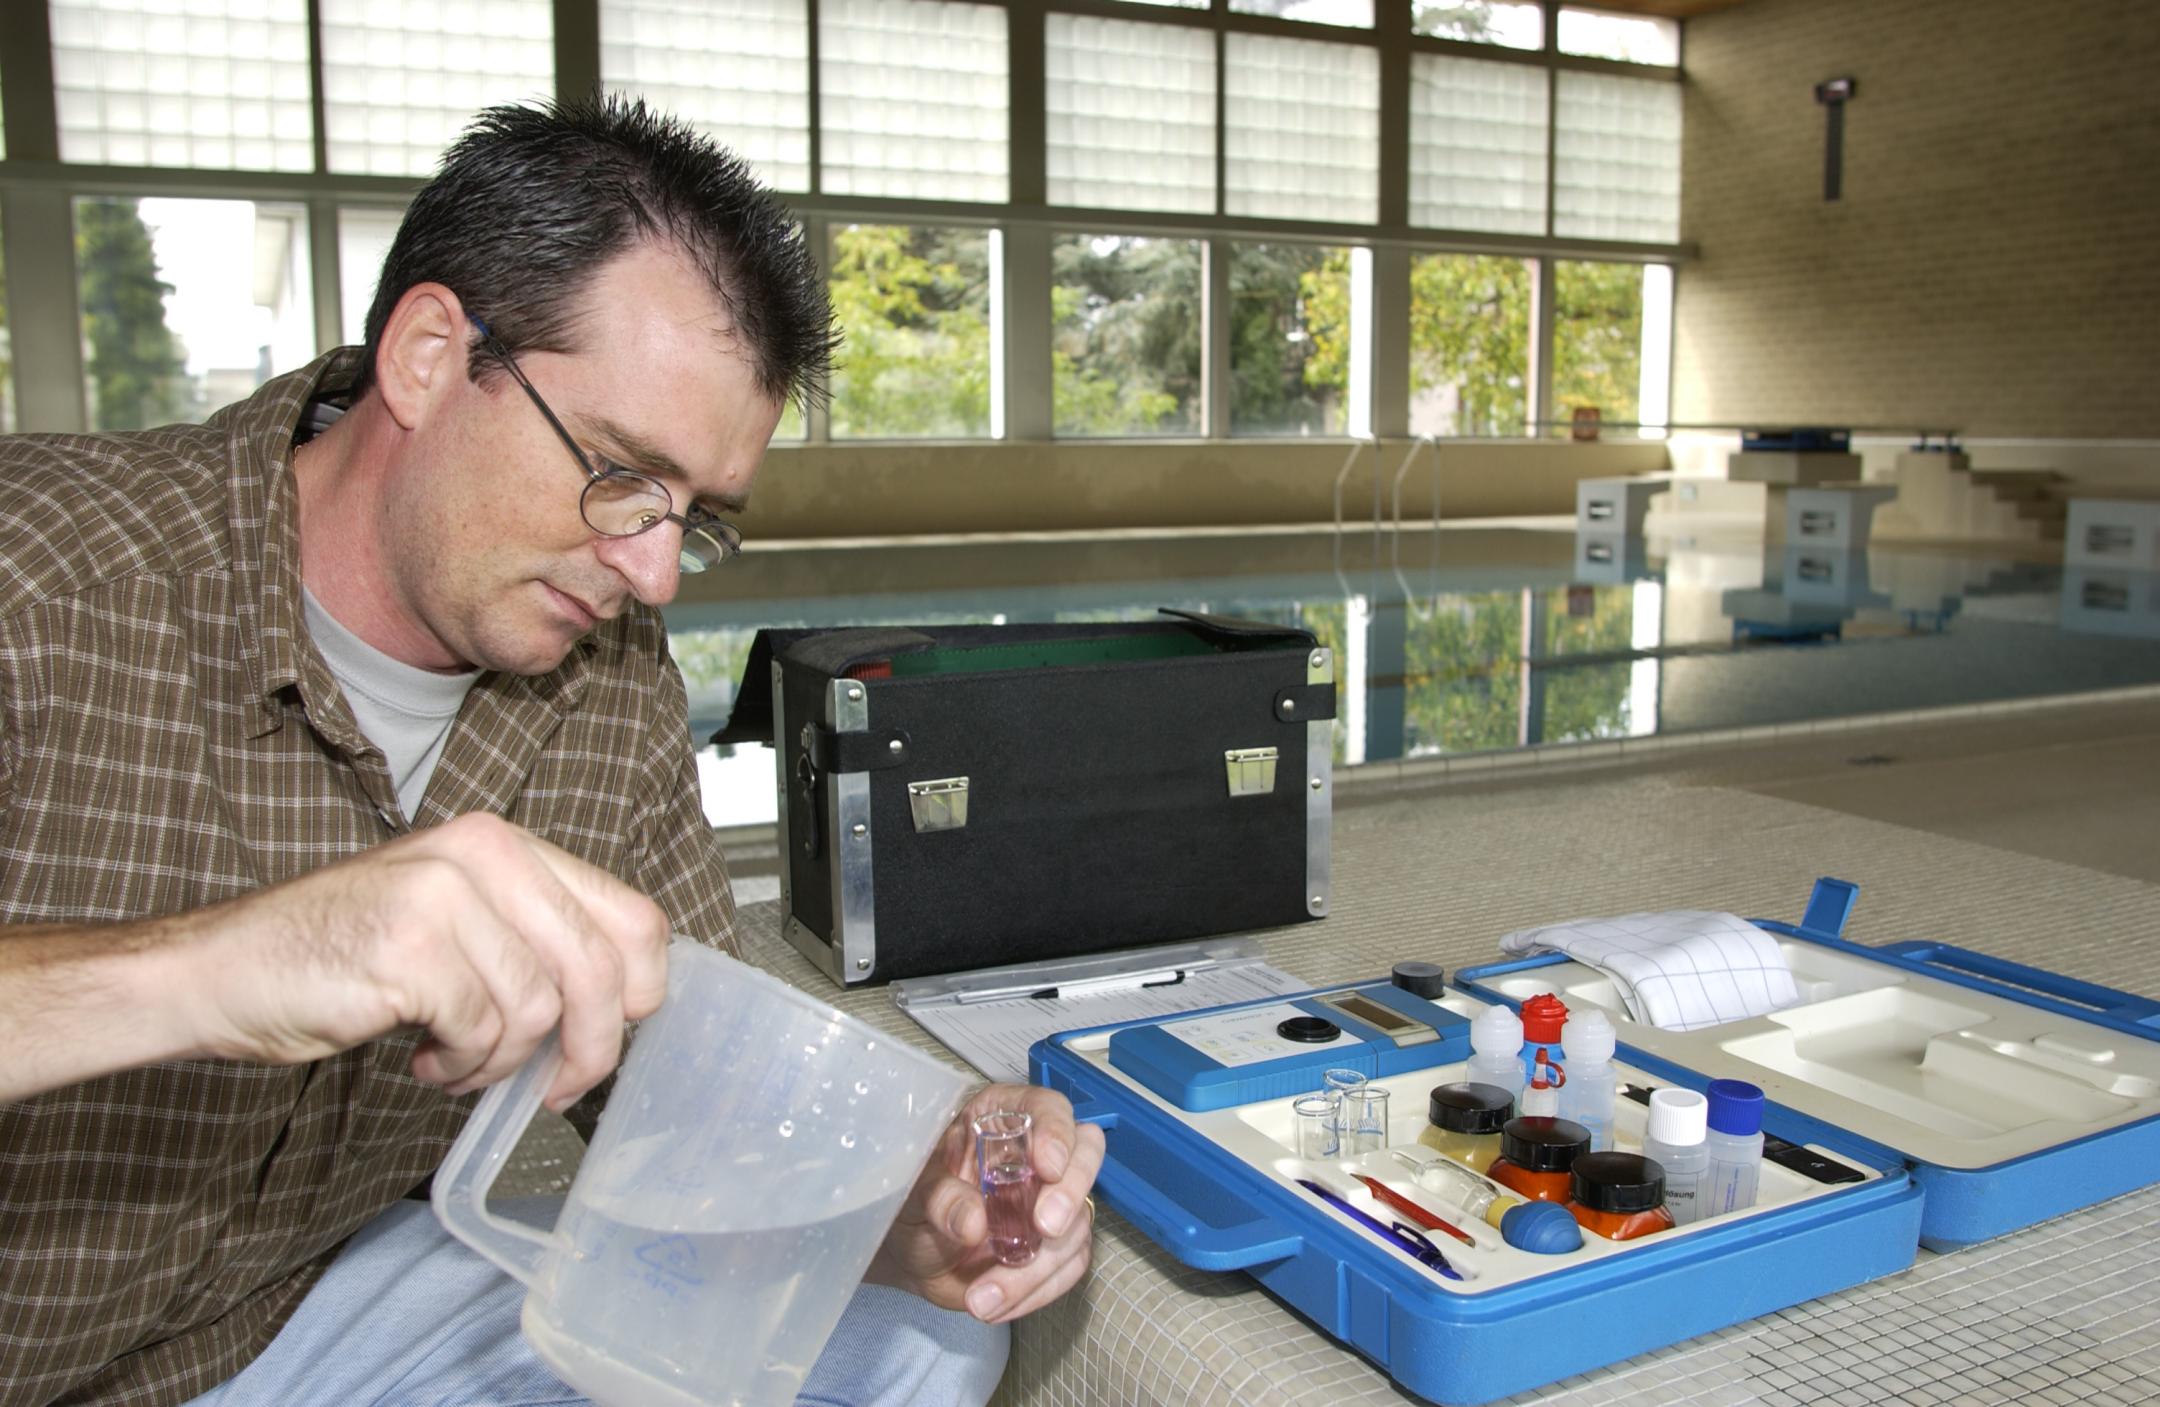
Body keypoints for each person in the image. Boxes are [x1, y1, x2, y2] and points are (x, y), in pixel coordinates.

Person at [0, 97, 1104, 1407]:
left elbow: (694, 1124)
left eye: (692, 518)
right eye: (622, 476)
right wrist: (224, 966)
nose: (652, 573)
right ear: (424, 356)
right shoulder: (38, 568)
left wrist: (910, 1209)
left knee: (919, 1337)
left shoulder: (609, 682)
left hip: (292, 1314)